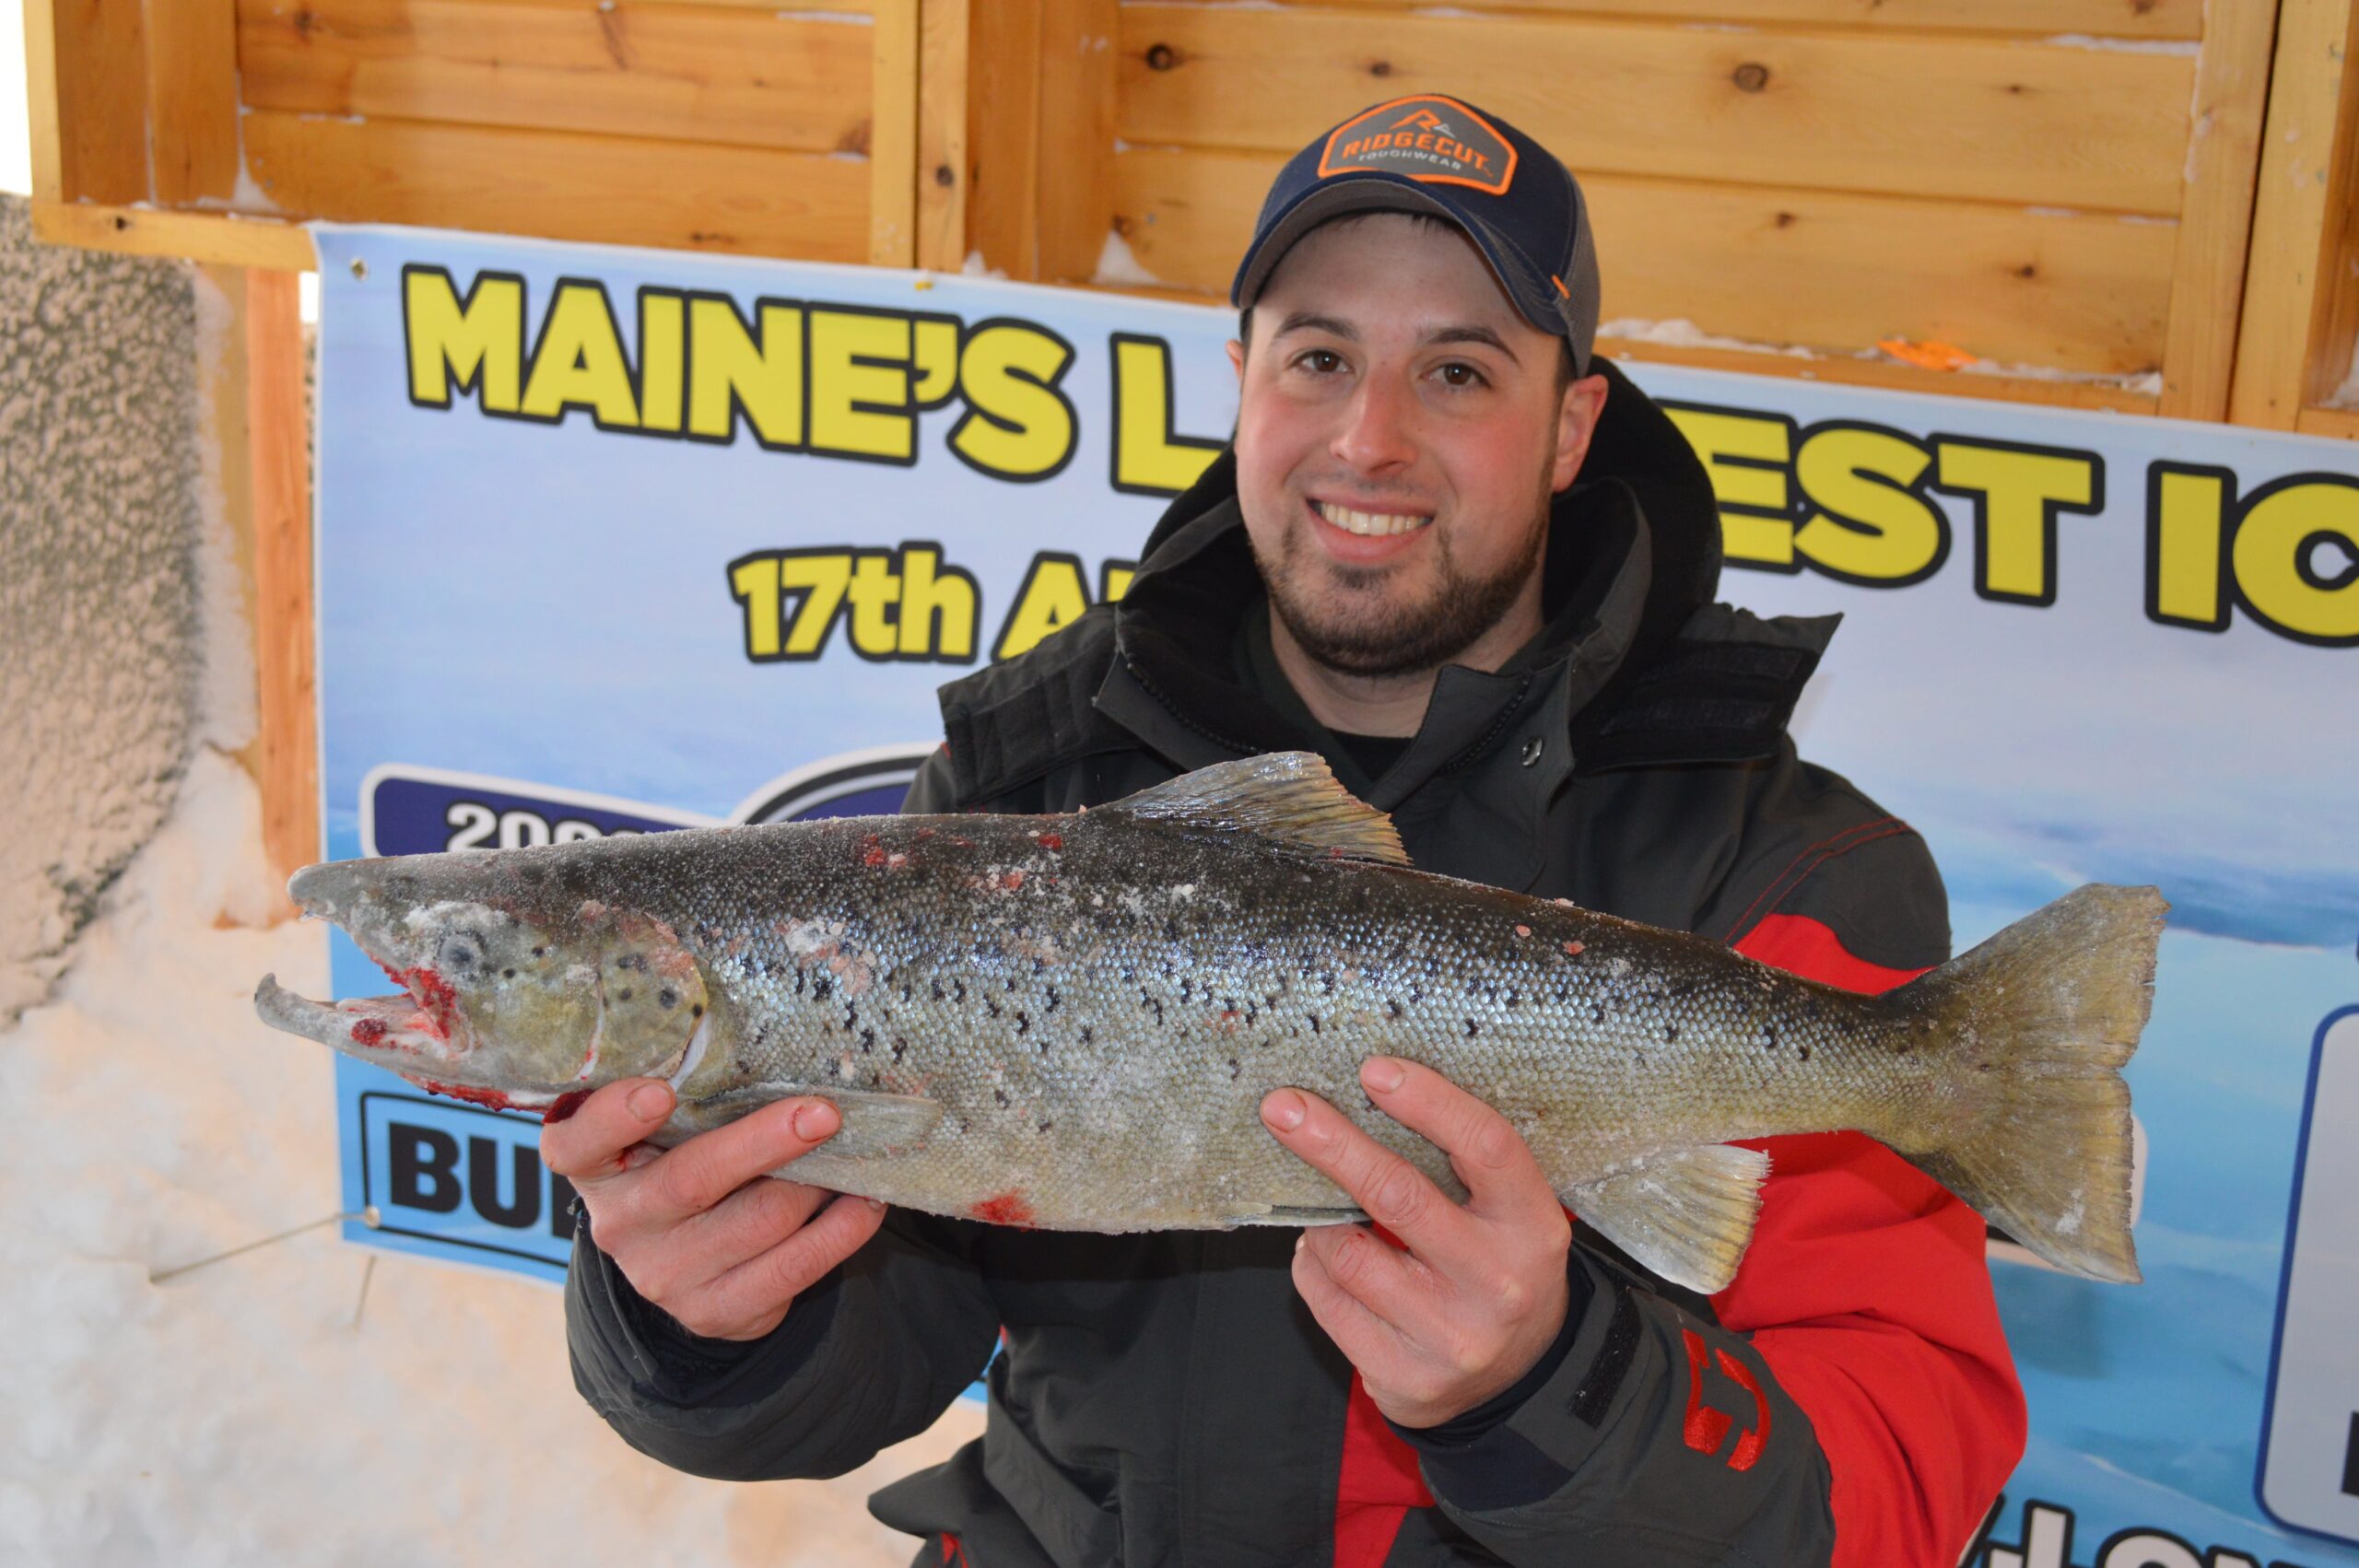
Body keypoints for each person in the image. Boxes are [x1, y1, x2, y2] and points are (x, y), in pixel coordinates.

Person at [547, 95, 2025, 1567]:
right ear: (1242, 375)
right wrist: (703, 1315)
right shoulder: (1031, 786)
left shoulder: (1792, 867)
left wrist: (1556, 1381)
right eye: (1320, 356)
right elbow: (887, 1336)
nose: (1368, 440)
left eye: (1459, 370)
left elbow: (1892, 1483)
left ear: (1573, 425)